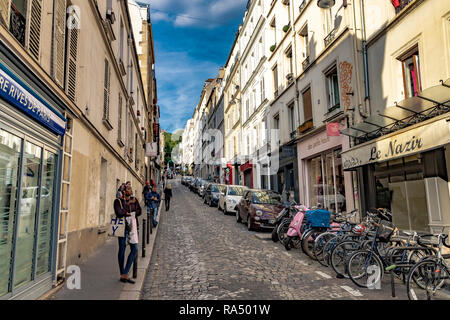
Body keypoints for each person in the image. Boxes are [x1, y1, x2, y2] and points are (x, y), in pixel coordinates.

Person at [114, 185, 141, 284]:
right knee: (122, 250)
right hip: (122, 229)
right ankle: (123, 274)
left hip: (132, 227)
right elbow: (119, 212)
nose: (131, 190)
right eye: (129, 189)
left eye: (131, 189)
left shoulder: (134, 200)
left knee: (135, 249)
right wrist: (128, 209)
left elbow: (139, 210)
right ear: (124, 191)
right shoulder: (118, 201)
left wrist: (132, 212)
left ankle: (125, 273)